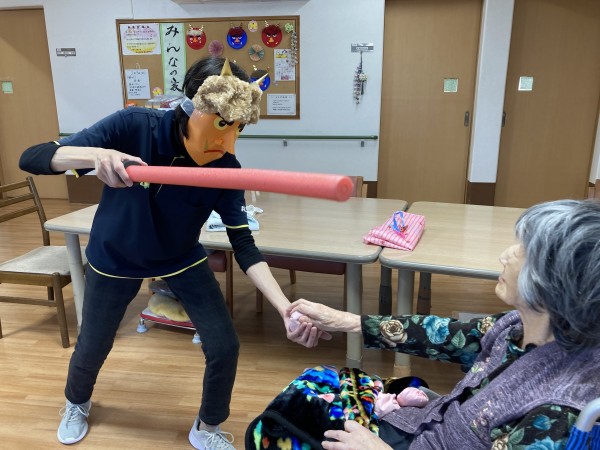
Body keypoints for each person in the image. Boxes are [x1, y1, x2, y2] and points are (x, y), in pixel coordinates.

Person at [19, 56, 323, 450]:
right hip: (115, 257)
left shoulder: (226, 168)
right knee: (93, 344)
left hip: (180, 257)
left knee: (225, 345)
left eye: (237, 127)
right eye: (220, 123)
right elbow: (34, 157)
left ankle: (207, 427)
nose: (227, 139)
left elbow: (244, 244)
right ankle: (76, 403)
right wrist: (95, 157)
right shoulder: (135, 127)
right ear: (192, 107)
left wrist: (284, 308)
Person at [284, 199, 600, 449]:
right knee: (308, 388)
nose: (506, 255)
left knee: (290, 425)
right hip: (428, 427)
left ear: (556, 283)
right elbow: (445, 334)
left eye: (524, 251)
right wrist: (345, 320)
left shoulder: (559, 414)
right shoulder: (516, 325)